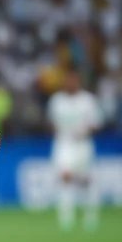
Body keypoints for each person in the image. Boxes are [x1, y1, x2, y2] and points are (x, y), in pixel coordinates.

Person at [47, 70, 102, 231]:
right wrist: (59, 130)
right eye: (67, 80)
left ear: (78, 81)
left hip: (83, 144)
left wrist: (85, 131)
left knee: (85, 181)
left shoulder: (88, 100)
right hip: (64, 143)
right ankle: (66, 218)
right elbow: (51, 122)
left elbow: (96, 123)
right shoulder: (57, 101)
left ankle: (90, 216)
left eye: (73, 80)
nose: (70, 83)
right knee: (65, 177)